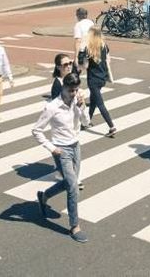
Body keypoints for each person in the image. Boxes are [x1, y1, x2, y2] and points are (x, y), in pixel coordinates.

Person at [33, 71, 90, 243]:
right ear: (63, 88)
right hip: (61, 150)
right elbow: (36, 130)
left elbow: (87, 123)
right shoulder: (52, 107)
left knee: (68, 183)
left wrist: (82, 106)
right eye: (71, 91)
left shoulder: (77, 102)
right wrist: (52, 148)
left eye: (76, 90)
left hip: (75, 146)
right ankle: (75, 226)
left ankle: (44, 196)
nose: (74, 94)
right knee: (73, 186)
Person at [83, 28, 116, 137]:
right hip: (102, 78)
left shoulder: (89, 49)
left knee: (100, 103)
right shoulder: (104, 46)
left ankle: (111, 126)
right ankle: (87, 121)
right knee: (93, 100)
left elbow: (85, 66)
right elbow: (108, 60)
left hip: (92, 79)